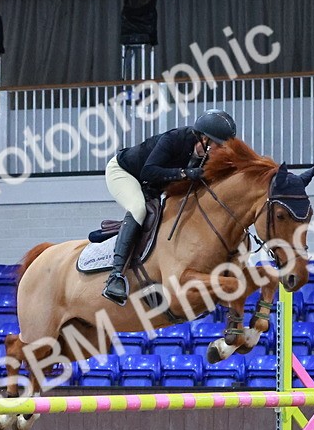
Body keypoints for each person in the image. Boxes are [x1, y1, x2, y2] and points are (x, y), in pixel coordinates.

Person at [101, 108, 238, 305]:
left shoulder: (208, 157)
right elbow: (148, 171)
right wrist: (183, 173)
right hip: (126, 173)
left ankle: (151, 279)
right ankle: (115, 277)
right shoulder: (175, 139)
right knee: (139, 209)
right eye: (218, 145)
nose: (221, 150)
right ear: (204, 139)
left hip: (154, 186)